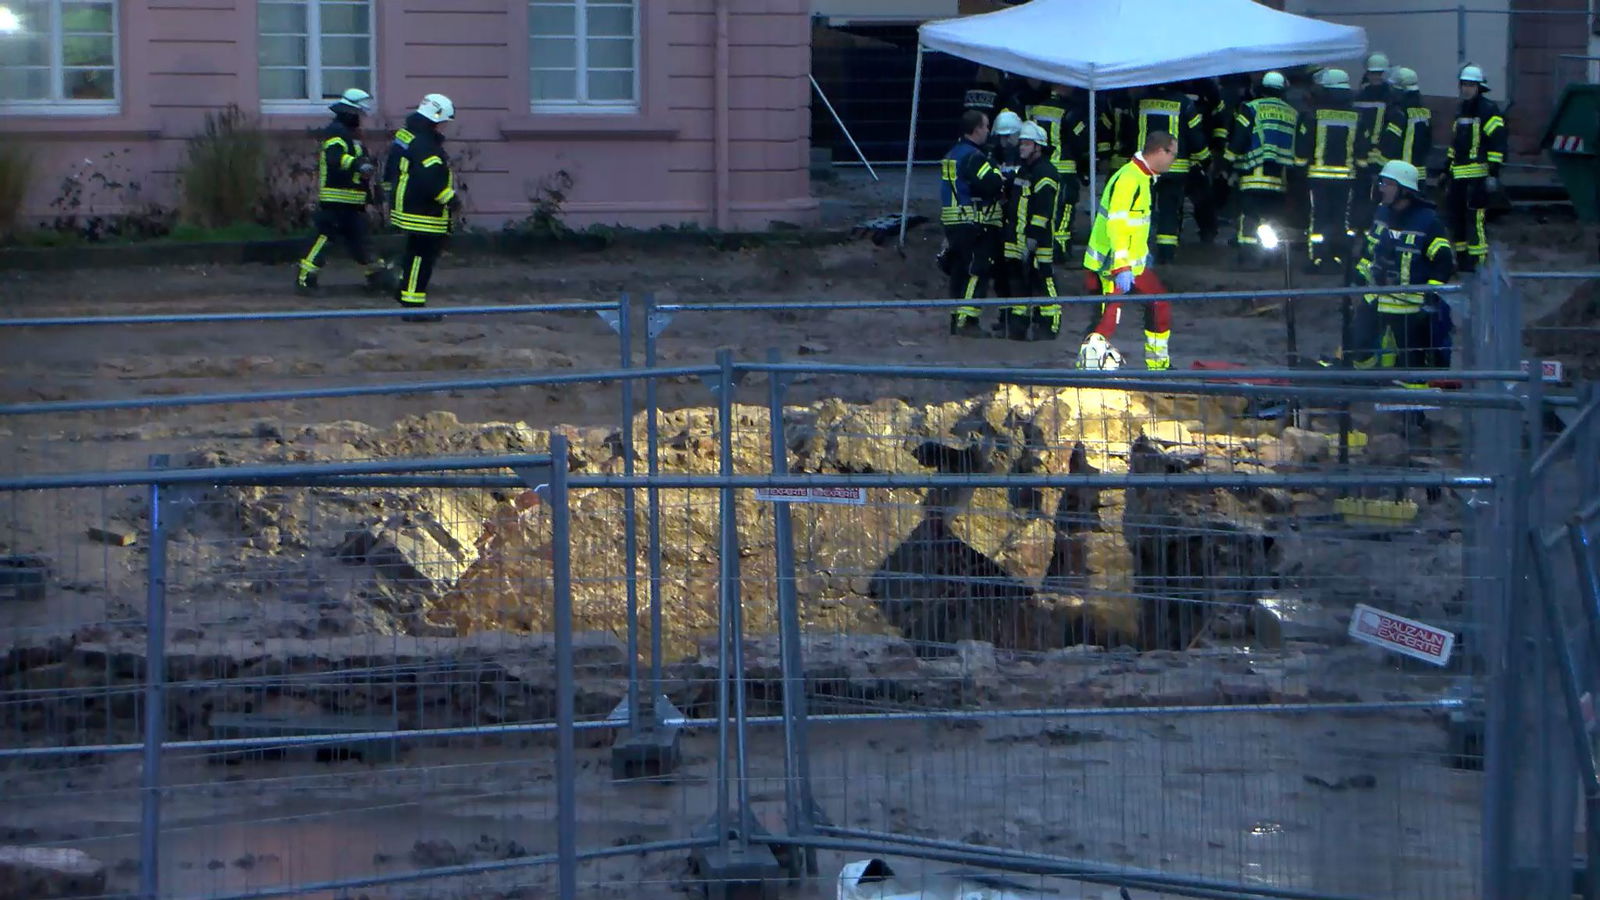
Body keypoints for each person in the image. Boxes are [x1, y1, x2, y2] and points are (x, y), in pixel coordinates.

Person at [1080, 131, 1179, 370]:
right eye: (1172, 155)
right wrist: (1123, 266)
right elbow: (1117, 224)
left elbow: (1133, 225)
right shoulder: (1130, 179)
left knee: (1158, 304)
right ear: (1159, 151)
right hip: (1112, 265)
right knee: (1106, 320)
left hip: (1129, 264)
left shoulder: (1139, 178)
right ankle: (1088, 370)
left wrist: (1141, 253)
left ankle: (1159, 366)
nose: (1173, 161)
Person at [1352, 160, 1455, 375]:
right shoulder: (1381, 214)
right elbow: (1369, 250)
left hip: (1409, 306)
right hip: (1376, 297)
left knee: (1412, 361)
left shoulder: (1428, 222)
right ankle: (1370, 382)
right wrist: (1360, 273)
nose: (1381, 188)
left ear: (1405, 190)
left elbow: (1444, 261)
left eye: (1387, 184)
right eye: (1381, 182)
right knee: (1358, 346)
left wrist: (1431, 292)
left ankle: (1413, 403)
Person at [294, 88, 386, 295]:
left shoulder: (351, 135)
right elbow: (335, 158)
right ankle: (304, 280)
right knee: (324, 239)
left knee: (361, 241)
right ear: (350, 112)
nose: (361, 118)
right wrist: (357, 165)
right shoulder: (336, 132)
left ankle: (377, 277)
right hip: (335, 200)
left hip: (353, 200)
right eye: (359, 113)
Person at [383, 93, 458, 321]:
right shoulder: (426, 144)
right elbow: (430, 177)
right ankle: (412, 305)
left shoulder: (407, 135)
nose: (445, 126)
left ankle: (405, 292)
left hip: (407, 205)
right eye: (444, 121)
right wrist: (449, 198)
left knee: (415, 253)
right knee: (421, 256)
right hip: (423, 210)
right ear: (436, 118)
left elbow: (392, 166)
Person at [939, 109, 1004, 335]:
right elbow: (993, 183)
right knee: (977, 271)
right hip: (972, 224)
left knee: (958, 272)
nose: (988, 131)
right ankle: (968, 323)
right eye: (986, 127)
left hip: (952, 224)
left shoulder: (952, 154)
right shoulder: (974, 156)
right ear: (976, 129)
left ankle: (957, 320)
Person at [1226, 71, 1301, 269]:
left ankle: (1249, 259)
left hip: (1253, 175)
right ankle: (1270, 257)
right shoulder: (1292, 113)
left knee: (1249, 217)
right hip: (1280, 178)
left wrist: (1227, 164)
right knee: (1272, 219)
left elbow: (1239, 138)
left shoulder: (1251, 108)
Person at [1297, 69, 1368, 274]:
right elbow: (1362, 150)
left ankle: (1317, 259)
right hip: (1346, 178)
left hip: (1318, 177)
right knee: (1341, 220)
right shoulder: (1356, 116)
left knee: (1318, 219)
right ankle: (1339, 259)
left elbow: (1303, 146)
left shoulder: (1313, 115)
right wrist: (1362, 172)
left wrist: (1299, 167)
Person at [999, 122, 1062, 341]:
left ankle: (1049, 325)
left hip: (1038, 241)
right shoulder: (1024, 170)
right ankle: (1018, 326)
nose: (1022, 147)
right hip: (1015, 240)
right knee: (1017, 284)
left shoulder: (1046, 173)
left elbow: (1043, 210)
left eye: (1026, 144)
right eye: (1022, 143)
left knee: (1042, 280)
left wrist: (1033, 238)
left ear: (1038, 146)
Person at [1135, 83, 1210, 262]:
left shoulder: (1141, 101)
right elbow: (1195, 134)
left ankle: (1139, 252)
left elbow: (1130, 130)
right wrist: (1205, 159)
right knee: (1170, 211)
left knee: (1142, 210)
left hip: (1146, 166)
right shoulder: (1184, 103)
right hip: (1175, 168)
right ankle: (1166, 255)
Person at [1446, 64, 1507, 273]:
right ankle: (1462, 262)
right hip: (1458, 176)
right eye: (1464, 84)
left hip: (1478, 177)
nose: (1466, 88)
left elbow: (1497, 143)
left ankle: (1479, 264)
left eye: (1471, 85)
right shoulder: (1460, 109)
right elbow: (1455, 144)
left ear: (1479, 87)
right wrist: (1447, 169)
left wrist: (1493, 173)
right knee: (1456, 219)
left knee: (1476, 220)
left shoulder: (1488, 110)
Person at [1025, 84, 1090, 262]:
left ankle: (1041, 249)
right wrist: (1084, 169)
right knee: (1064, 211)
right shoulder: (1071, 111)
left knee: (1041, 209)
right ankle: (1060, 250)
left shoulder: (1036, 108)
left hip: (1039, 168)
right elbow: (1080, 143)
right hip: (1064, 170)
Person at [1351, 52, 1394, 233]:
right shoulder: (1361, 96)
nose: (1376, 77)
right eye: (1373, 73)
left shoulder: (1391, 97)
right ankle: (1361, 228)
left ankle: (1374, 229)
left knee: (1379, 196)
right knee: (1360, 194)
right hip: (1362, 153)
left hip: (1380, 155)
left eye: (1378, 74)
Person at [985, 110, 1025, 300]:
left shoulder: (1027, 159)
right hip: (1000, 220)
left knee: (1019, 272)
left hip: (1020, 222)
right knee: (1000, 272)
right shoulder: (992, 157)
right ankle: (1005, 316)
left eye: (1009, 136)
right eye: (1001, 137)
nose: (1005, 142)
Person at [1380, 67, 1432, 171]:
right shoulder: (1425, 112)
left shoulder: (1399, 113)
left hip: (1400, 172)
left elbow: (1391, 144)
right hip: (1419, 171)